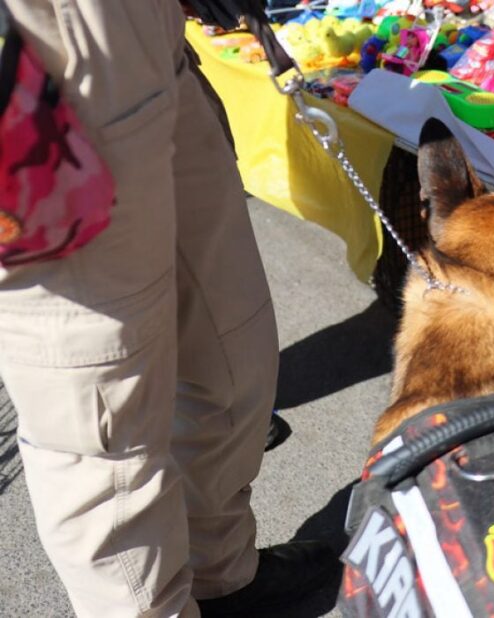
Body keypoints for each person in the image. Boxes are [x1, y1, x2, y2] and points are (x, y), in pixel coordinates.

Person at [0, 1, 338, 616]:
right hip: (30, 78)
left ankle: (221, 574)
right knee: (102, 432)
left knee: (230, 339)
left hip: (145, 40)